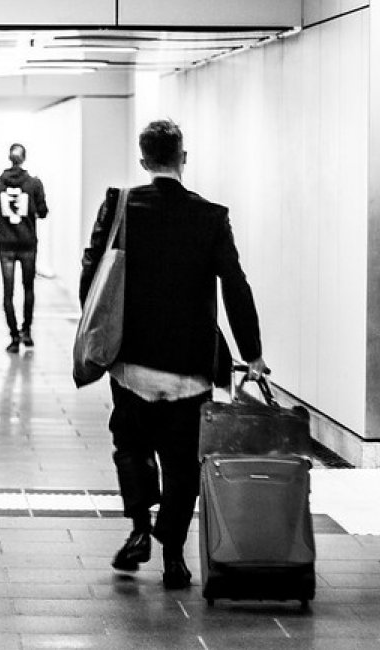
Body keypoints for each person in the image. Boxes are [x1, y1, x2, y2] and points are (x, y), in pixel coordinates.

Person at [79, 119, 267, 589]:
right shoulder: (211, 216)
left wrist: (95, 329)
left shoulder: (121, 206)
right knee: (183, 463)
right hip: (191, 367)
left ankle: (140, 528)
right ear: (184, 158)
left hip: (132, 362)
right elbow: (236, 287)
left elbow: (93, 269)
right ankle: (174, 558)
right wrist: (254, 354)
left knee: (131, 446)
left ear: (144, 161)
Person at [0, 143, 49, 353]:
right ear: (24, 159)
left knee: (8, 292)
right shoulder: (34, 184)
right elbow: (43, 211)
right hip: (28, 243)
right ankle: (26, 331)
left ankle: (13, 337)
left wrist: (0, 224)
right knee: (28, 288)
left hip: (6, 245)